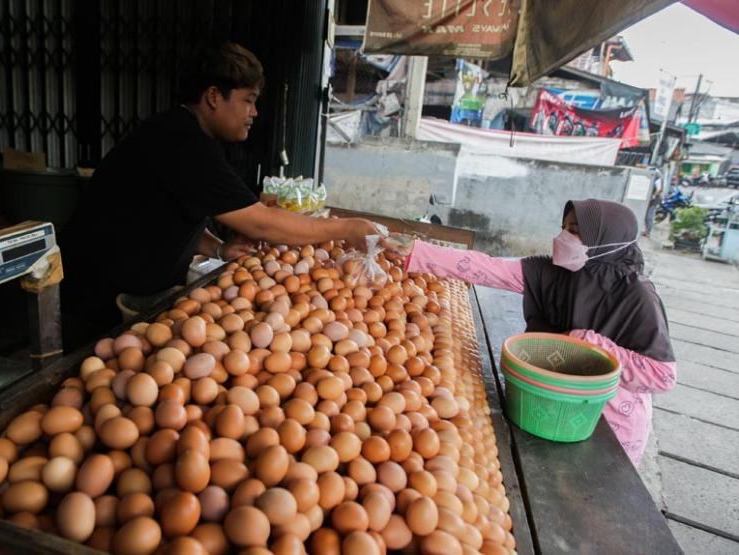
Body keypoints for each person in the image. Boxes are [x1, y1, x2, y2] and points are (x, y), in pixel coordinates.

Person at [61, 42, 379, 348]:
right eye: (249, 100)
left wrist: (219, 248)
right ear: (214, 96)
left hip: (118, 292)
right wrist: (346, 228)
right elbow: (261, 223)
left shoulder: (185, 135)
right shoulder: (181, 142)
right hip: (97, 300)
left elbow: (172, 213)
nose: (254, 112)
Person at [400, 199, 676, 465]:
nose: (564, 237)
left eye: (576, 232)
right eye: (564, 228)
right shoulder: (552, 273)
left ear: (606, 241)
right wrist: (411, 252)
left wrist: (588, 343)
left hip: (610, 424)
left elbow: (662, 376)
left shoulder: (637, 295)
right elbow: (486, 267)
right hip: (545, 405)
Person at [643, 169, 664, 236]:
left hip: (654, 200)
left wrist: (653, 196)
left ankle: (648, 231)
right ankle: (646, 230)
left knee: (649, 215)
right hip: (653, 200)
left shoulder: (657, 178)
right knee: (647, 215)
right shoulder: (656, 177)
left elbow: (658, 189)